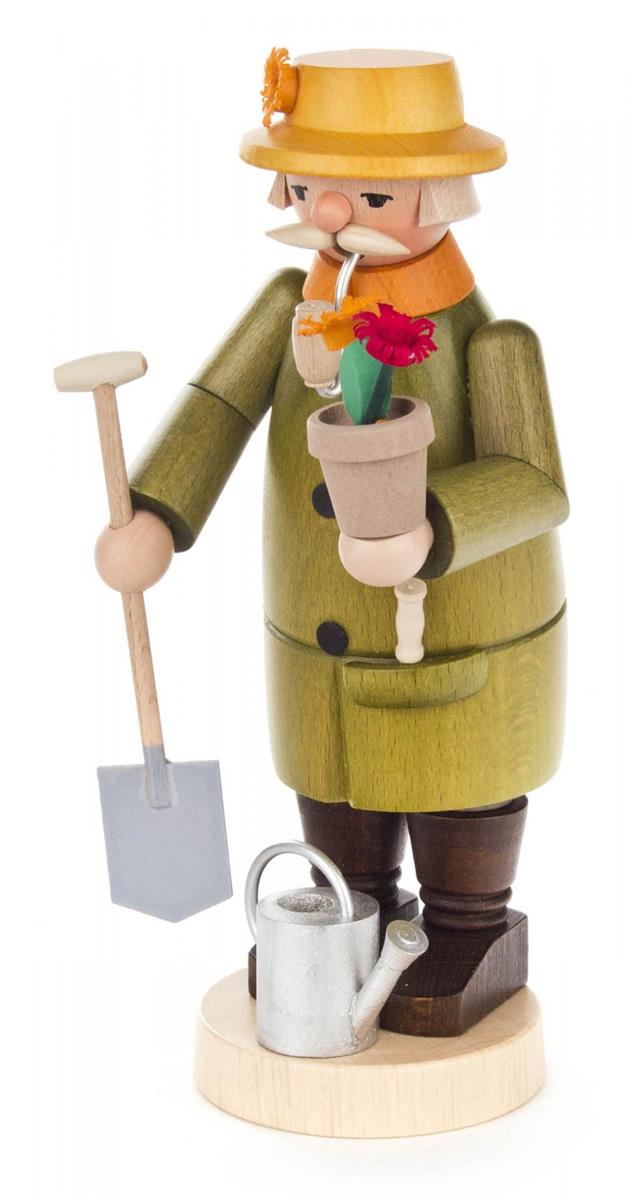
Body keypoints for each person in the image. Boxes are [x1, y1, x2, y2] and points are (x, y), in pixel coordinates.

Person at [95, 49, 568, 1036]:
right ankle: (350, 905)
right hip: (313, 638)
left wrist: (432, 530)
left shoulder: (490, 343)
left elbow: (533, 483)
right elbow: (218, 411)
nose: (332, 214)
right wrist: (156, 515)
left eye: (371, 194)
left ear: (442, 194)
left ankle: (468, 926)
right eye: (310, 188)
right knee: (334, 786)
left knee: (456, 783)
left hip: (458, 638)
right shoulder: (291, 311)